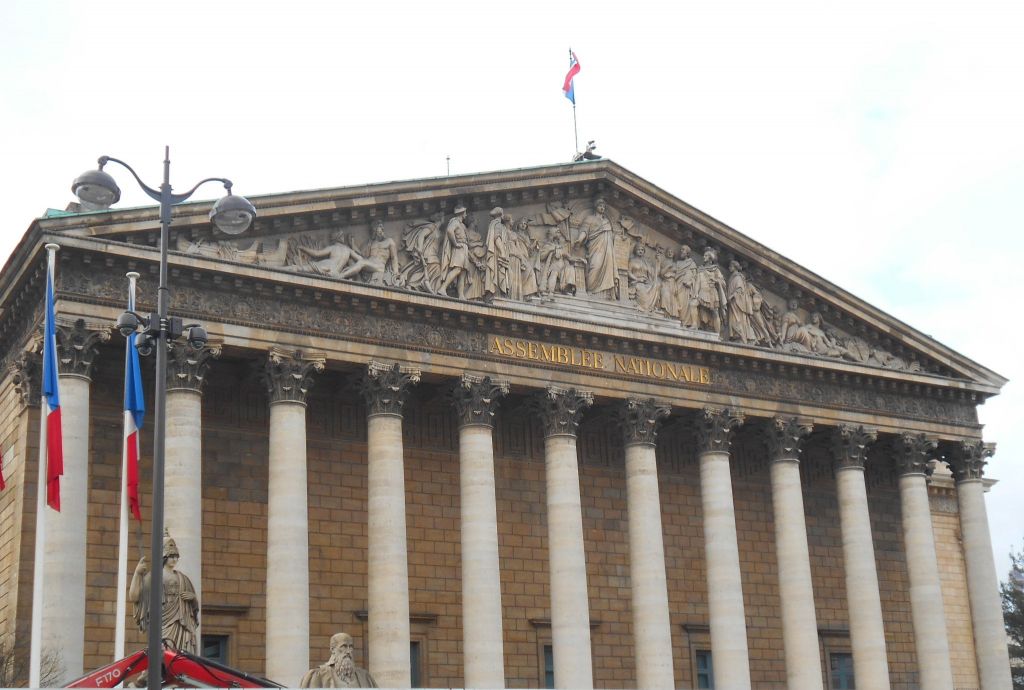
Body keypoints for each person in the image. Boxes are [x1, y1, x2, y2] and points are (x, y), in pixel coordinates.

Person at [129, 530, 199, 654]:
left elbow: (193, 608)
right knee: (164, 652)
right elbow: (135, 597)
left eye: (176, 556)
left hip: (181, 622)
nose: (174, 559)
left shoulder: (183, 578)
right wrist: (137, 573)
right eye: (171, 556)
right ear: (164, 556)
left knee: (181, 654)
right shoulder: (153, 576)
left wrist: (193, 598)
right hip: (162, 622)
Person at [300, 632, 377, 688]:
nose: (348, 651)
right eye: (344, 646)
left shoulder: (365, 677)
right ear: (333, 649)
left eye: (351, 647)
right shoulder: (318, 676)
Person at [576, 198, 618, 298]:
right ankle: (591, 289)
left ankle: (605, 293)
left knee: (607, 267)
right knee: (595, 266)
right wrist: (579, 240)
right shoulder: (589, 219)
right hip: (595, 247)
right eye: (600, 206)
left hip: (607, 249)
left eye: (603, 206)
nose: (602, 208)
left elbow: (612, 237)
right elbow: (584, 230)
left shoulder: (607, 221)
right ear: (596, 207)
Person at [438, 206, 471, 297]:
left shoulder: (462, 225)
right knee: (457, 269)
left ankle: (461, 295)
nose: (466, 214)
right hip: (459, 248)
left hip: (464, 248)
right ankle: (442, 288)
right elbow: (449, 231)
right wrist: (455, 243)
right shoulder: (455, 222)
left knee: (463, 272)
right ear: (462, 213)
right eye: (465, 212)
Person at [359, 220, 399, 285]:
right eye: (375, 232)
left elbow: (394, 258)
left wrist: (396, 273)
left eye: (380, 231)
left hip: (378, 266)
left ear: (382, 230)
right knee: (353, 256)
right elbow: (364, 257)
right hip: (369, 264)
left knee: (360, 262)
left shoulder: (389, 241)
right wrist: (353, 246)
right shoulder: (372, 243)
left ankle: (342, 276)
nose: (379, 233)